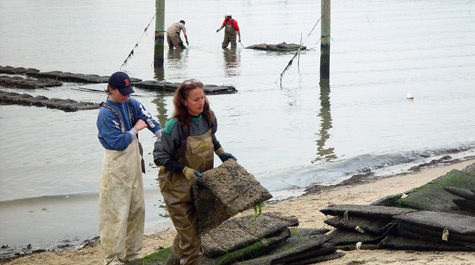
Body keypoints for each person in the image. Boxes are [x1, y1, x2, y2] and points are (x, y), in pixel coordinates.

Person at [153, 79, 236, 265]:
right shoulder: (174, 125)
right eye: (195, 100)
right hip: (177, 189)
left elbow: (211, 137)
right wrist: (184, 170)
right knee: (192, 242)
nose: (201, 103)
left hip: (200, 186)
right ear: (183, 101)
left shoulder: (209, 117)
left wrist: (220, 151)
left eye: (202, 98)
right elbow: (159, 157)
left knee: (192, 232)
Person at [96, 71, 163, 265]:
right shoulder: (106, 113)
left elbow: (149, 119)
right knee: (115, 214)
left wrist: (164, 138)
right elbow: (117, 143)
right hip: (115, 169)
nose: (126, 96)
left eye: (128, 91)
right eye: (122, 92)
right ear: (111, 89)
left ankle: (132, 255)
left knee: (136, 210)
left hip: (133, 167)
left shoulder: (132, 103)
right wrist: (135, 129)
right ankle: (114, 259)